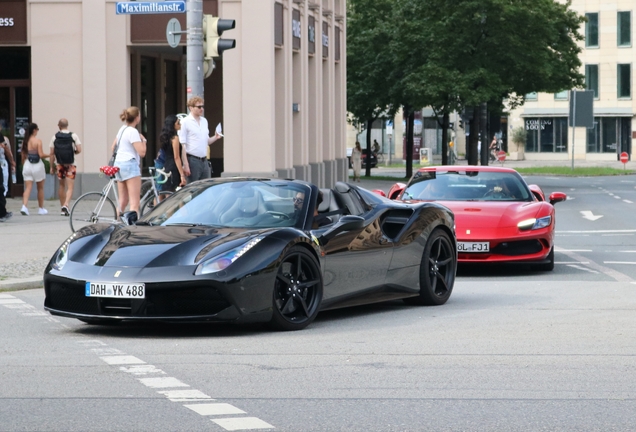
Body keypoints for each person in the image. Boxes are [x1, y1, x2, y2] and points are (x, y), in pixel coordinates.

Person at [111, 106, 146, 217]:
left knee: (122, 201)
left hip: (119, 164)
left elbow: (113, 147)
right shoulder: (133, 131)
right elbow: (142, 152)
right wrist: (144, 141)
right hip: (130, 164)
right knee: (134, 203)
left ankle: (117, 224)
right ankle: (132, 228)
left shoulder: (122, 129)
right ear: (137, 118)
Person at [178, 96, 222, 183]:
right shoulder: (185, 122)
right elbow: (183, 145)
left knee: (205, 188)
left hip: (204, 160)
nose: (201, 109)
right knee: (193, 189)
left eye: (202, 106)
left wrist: (215, 137)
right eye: (199, 107)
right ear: (191, 108)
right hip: (192, 160)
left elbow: (206, 141)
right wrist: (186, 164)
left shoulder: (204, 121)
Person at [49, 118, 82, 216]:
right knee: (70, 187)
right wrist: (73, 152)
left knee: (62, 186)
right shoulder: (73, 135)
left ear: (59, 125)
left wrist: (51, 166)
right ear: (67, 125)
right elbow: (79, 149)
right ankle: (66, 205)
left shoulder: (55, 137)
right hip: (71, 164)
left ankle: (62, 208)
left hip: (59, 164)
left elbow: (51, 153)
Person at [21, 123, 49, 216]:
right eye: (37, 129)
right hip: (37, 166)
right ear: (34, 130)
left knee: (28, 187)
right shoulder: (38, 141)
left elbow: (23, 155)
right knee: (40, 188)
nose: (37, 131)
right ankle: (41, 208)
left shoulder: (25, 141)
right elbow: (41, 154)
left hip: (27, 165)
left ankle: (24, 206)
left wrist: (23, 164)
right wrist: (50, 154)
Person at [159, 114, 186, 192]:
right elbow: (176, 157)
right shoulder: (175, 138)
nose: (180, 124)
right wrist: (182, 174)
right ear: (173, 124)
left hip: (167, 165)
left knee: (168, 192)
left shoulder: (165, 137)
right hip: (174, 167)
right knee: (176, 194)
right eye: (178, 123)